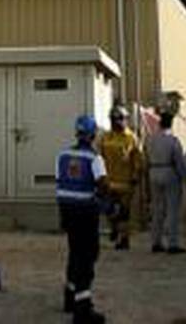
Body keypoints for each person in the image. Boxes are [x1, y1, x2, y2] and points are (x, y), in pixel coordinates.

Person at [57, 113, 109, 323]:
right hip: (85, 212)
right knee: (87, 258)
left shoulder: (63, 155)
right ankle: (82, 308)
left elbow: (61, 182)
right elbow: (103, 185)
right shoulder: (94, 158)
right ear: (93, 134)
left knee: (75, 252)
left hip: (67, 210)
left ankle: (70, 296)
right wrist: (110, 207)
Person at [98, 104, 145, 249]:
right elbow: (99, 158)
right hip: (108, 181)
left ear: (126, 120)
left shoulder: (131, 138)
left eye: (120, 119)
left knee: (124, 212)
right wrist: (100, 177)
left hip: (126, 182)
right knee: (109, 210)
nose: (117, 122)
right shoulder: (105, 137)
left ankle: (124, 239)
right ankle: (115, 228)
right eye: (114, 119)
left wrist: (135, 176)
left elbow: (138, 159)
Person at [145, 102, 186, 253]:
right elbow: (179, 162)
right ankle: (172, 243)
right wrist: (185, 178)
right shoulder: (173, 140)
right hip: (169, 172)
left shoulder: (150, 139)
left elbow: (146, 157)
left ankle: (156, 242)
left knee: (157, 210)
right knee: (172, 210)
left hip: (153, 171)